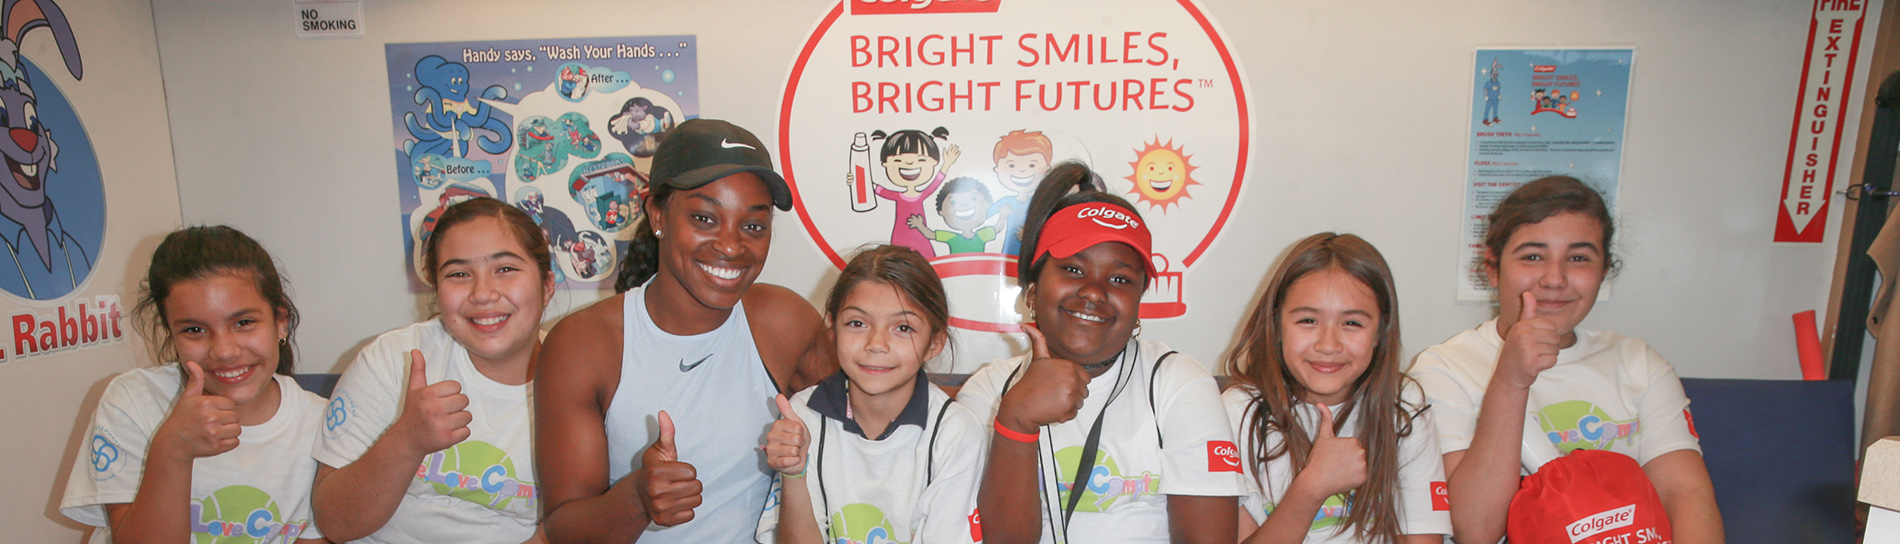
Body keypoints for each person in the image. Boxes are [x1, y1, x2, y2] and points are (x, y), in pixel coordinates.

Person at [535, 119, 834, 543]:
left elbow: (857, 434)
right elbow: (563, 531)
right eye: (704, 218)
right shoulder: (584, 344)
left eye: (753, 225)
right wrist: (637, 499)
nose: (731, 245)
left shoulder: (782, 320)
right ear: (657, 213)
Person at [1410, 176, 1722, 544]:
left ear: (1604, 271)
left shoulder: (1639, 363)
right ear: (1493, 269)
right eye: (1532, 256)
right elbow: (1474, 531)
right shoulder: (1442, 369)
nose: (1554, 279)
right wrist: (1510, 382)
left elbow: (1685, 497)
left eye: (1578, 258)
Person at [956, 162, 1241, 544]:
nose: (1094, 290)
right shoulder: (989, 389)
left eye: (1120, 279)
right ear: (1033, 290)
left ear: (1139, 302)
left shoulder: (1178, 382)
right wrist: (1016, 421)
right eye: (1073, 270)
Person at [309, 198, 554, 543]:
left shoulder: (579, 378)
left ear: (547, 285)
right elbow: (335, 522)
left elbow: (570, 523)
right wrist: (407, 440)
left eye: (505, 269)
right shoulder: (393, 359)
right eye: (458, 274)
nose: (483, 294)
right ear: (436, 288)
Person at [59, 226, 326, 543]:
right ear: (171, 334)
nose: (224, 350)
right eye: (195, 330)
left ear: (280, 321)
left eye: (243, 323)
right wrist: (171, 451)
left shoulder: (323, 425)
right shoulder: (135, 401)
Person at [1222, 233, 1449, 544]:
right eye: (1307, 320)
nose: (1328, 345)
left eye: (1352, 324)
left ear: (1380, 332)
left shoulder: (1404, 403)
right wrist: (1311, 488)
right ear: (1275, 326)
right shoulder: (1236, 411)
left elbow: (1424, 538)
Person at [759, 244, 985, 544]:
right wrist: (792, 474)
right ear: (832, 328)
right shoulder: (803, 415)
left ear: (935, 342)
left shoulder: (954, 431)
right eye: (857, 323)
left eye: (903, 327)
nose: (876, 343)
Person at [851, 127, 960, 259]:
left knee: (926, 261)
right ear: (885, 164)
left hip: (920, 236)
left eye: (921, 160)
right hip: (900, 238)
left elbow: (936, 183)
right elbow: (874, 188)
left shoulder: (921, 194)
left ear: (934, 162)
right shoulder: (897, 196)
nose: (909, 163)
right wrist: (857, 180)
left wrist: (947, 164)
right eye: (897, 161)